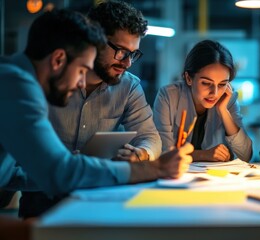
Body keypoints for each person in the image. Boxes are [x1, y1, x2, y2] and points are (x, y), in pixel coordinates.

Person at [0, 9, 192, 201]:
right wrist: (155, 168)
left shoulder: (16, 79)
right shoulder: (17, 85)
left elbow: (12, 176)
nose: (81, 84)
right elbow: (59, 172)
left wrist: (79, 166)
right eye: (82, 70)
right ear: (58, 59)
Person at [19, 0, 162, 218]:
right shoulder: (33, 85)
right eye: (121, 51)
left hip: (98, 190)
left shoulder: (128, 85)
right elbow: (19, 170)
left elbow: (150, 138)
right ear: (95, 41)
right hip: (42, 193)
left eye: (133, 54)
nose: (128, 63)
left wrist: (140, 155)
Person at [153, 40, 252, 162]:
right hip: (174, 175)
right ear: (189, 78)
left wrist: (223, 111)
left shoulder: (228, 98)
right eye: (206, 83)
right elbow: (163, 152)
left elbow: (246, 155)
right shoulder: (168, 96)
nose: (214, 93)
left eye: (222, 84)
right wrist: (203, 155)